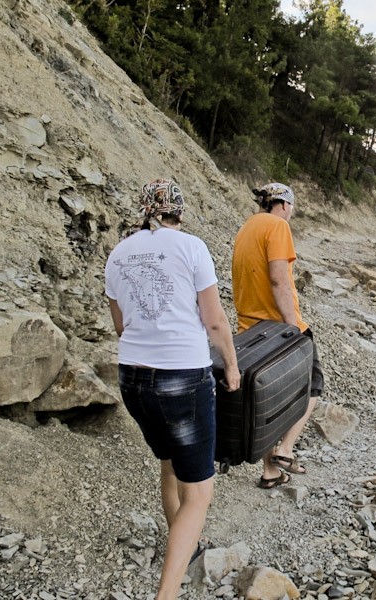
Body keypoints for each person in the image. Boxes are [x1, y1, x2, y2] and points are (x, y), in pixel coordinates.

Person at [105, 179, 240, 600]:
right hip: (181, 378)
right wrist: (232, 368)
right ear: (179, 211)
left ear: (145, 210)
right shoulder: (191, 247)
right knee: (199, 491)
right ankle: (166, 594)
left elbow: (122, 325)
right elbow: (215, 321)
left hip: (132, 378)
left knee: (169, 464)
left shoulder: (117, 253)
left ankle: (184, 546)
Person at [231, 182, 324, 489]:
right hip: (277, 329)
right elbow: (279, 280)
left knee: (274, 398)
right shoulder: (277, 226)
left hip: (249, 329)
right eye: (292, 208)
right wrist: (292, 328)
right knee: (312, 386)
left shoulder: (247, 227)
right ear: (284, 204)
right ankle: (284, 451)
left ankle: (270, 472)